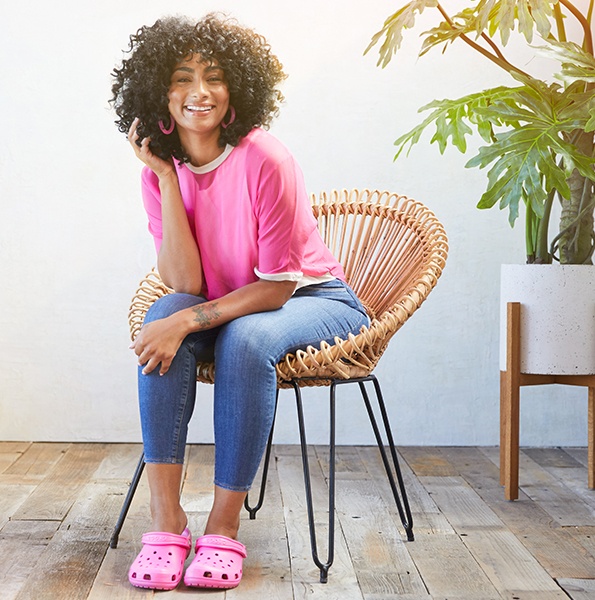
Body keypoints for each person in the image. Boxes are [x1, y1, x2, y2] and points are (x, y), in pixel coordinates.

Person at [110, 13, 369, 591]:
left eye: (215, 78)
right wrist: (168, 180)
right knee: (162, 316)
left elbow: (278, 287)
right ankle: (167, 520)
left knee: (244, 339)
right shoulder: (160, 172)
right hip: (233, 301)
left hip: (315, 298)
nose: (198, 92)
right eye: (182, 78)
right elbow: (185, 281)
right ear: (160, 92)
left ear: (235, 96)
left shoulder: (265, 159)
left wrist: (192, 319)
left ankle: (223, 529)